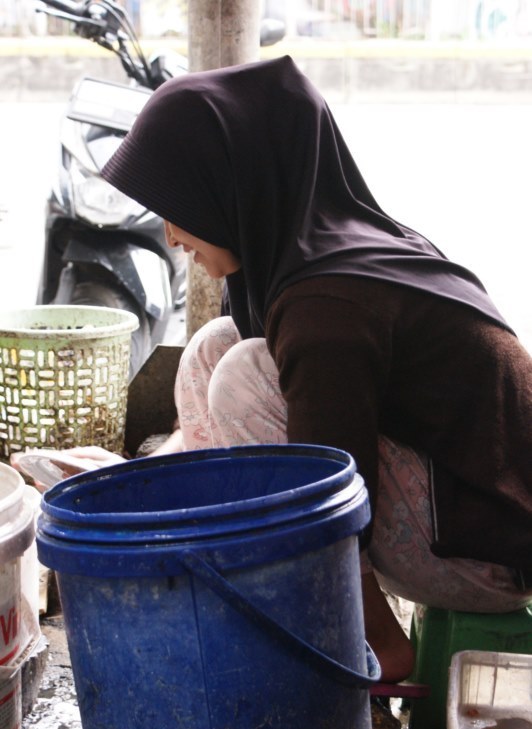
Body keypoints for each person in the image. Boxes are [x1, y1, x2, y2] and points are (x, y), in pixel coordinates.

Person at [36, 57, 532, 682]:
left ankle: (372, 640)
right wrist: (129, 481)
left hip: (487, 555)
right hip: (443, 511)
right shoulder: (310, 256)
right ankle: (252, 584)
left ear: (232, 186)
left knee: (243, 376)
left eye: (178, 206)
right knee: (215, 348)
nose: (172, 236)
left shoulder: (328, 304)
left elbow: (333, 492)